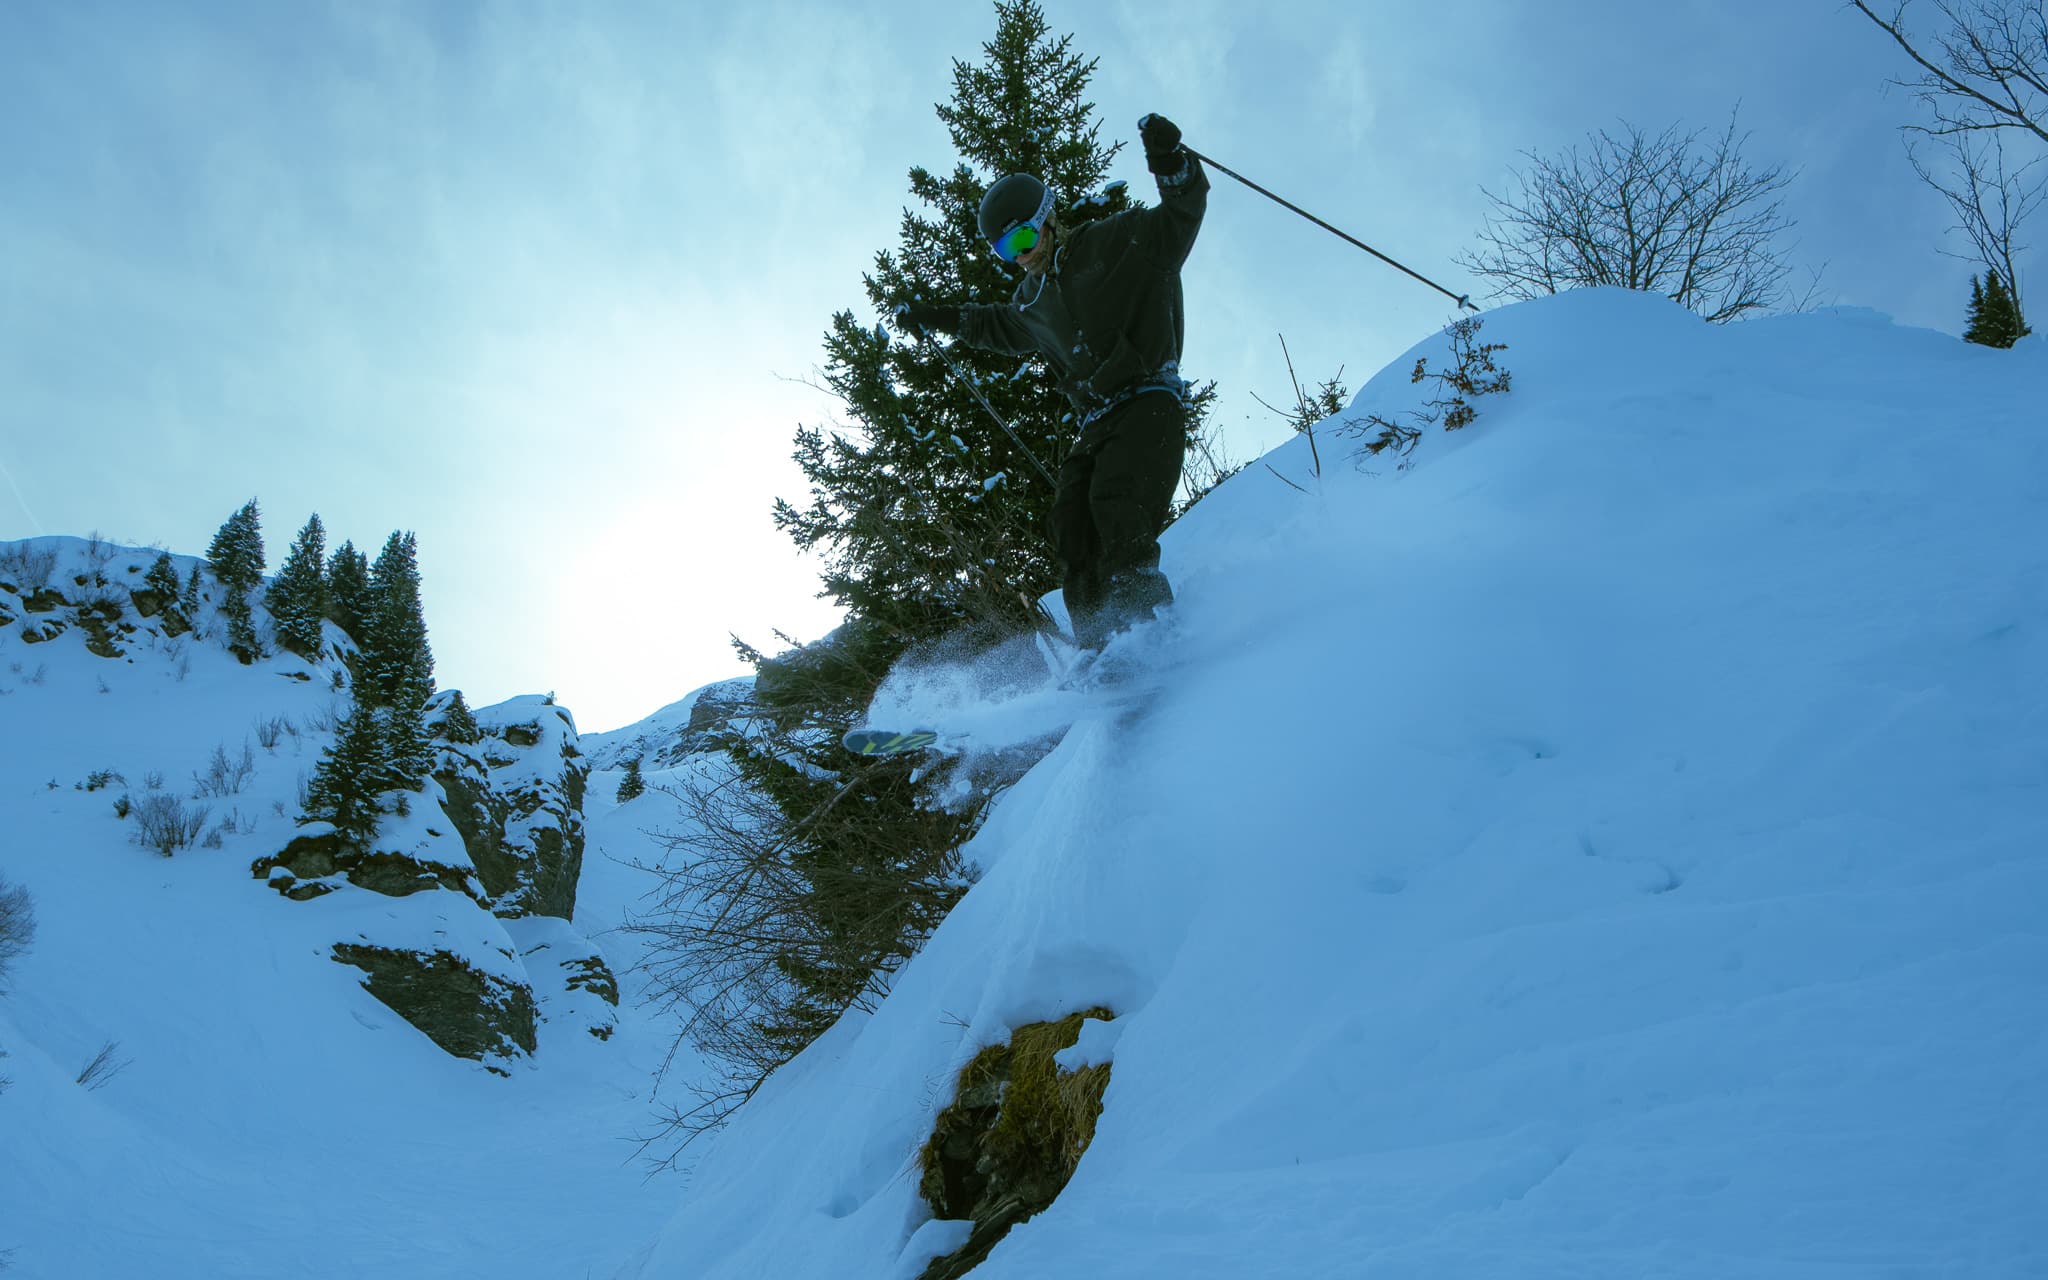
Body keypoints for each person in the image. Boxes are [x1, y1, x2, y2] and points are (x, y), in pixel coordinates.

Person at [897, 113, 1208, 654]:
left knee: (1118, 508)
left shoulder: (1117, 241)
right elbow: (995, 325)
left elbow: (1179, 219)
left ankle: (1148, 633)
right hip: (1096, 421)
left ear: (1047, 218)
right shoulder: (1031, 301)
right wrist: (937, 317)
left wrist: (1171, 165)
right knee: (1070, 523)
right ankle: (1100, 648)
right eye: (1004, 250)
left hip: (1148, 399)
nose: (1020, 255)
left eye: (1022, 236)